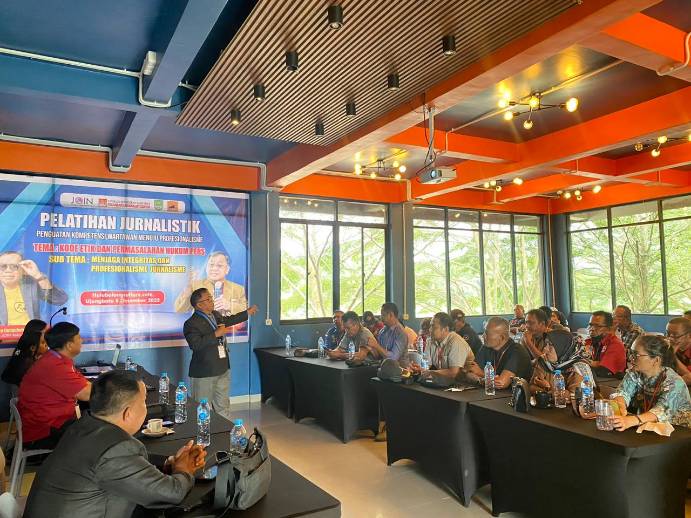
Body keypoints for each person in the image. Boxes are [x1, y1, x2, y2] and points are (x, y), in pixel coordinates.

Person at [24, 370, 206, 517]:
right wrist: (183, 469)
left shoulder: (82, 426)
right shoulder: (116, 449)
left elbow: (114, 462)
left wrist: (167, 462)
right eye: (144, 402)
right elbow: (172, 493)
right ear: (128, 413)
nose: (146, 407)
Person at [183, 287, 258, 419]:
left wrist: (247, 313)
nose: (212, 301)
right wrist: (215, 334)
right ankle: (204, 432)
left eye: (211, 298)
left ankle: (223, 431)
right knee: (203, 409)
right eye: (208, 299)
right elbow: (195, 345)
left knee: (223, 407)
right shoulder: (191, 323)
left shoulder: (216, 315)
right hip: (204, 372)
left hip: (222, 367)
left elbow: (230, 320)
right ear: (199, 305)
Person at [17, 322, 91, 449]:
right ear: (69, 345)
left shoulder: (55, 358)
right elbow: (86, 394)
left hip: (50, 420)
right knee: (99, 430)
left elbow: (82, 383)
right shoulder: (54, 366)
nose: (82, 340)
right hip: (43, 431)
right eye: (79, 337)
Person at [610, 335, 691, 430]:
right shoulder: (635, 373)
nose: (630, 358)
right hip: (649, 426)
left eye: (636, 355)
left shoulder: (674, 382)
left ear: (656, 360)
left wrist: (631, 420)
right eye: (630, 353)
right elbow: (623, 392)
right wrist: (620, 405)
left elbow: (661, 411)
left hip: (678, 431)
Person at [0, 251, 67, 326]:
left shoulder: (31, 283)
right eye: (3, 266)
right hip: (3, 332)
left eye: (14, 266)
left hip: (31, 331)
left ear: (22, 269)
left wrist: (38, 275)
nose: (8, 270)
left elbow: (60, 299)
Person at [174, 252, 248, 315]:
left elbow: (247, 310)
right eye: (211, 265)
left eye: (219, 265)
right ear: (206, 268)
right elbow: (179, 310)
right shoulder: (194, 286)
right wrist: (187, 291)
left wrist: (230, 305)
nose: (214, 269)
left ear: (227, 269)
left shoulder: (238, 289)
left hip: (228, 326)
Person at [410, 312, 474, 384]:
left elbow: (453, 373)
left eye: (433, 327)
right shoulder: (430, 341)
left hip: (466, 383)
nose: (430, 329)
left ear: (445, 329)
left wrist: (429, 372)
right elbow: (427, 365)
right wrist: (419, 369)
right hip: (446, 382)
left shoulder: (456, 342)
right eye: (430, 326)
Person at [470, 317, 532, 389]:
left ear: (502, 337)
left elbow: (502, 383)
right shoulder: (486, 347)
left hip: (511, 394)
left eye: (487, 334)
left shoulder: (517, 351)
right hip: (490, 392)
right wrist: (483, 380)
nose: (483, 336)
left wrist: (481, 374)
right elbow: (470, 372)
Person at [529, 329, 593, 395]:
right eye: (545, 344)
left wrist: (547, 388)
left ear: (562, 348)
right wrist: (548, 392)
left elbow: (575, 396)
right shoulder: (545, 362)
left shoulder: (578, 368)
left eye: (550, 345)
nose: (545, 349)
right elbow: (531, 387)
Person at [1, 319, 47, 391]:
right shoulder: (27, 364)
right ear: (33, 348)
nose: (47, 345)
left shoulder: (25, 349)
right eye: (43, 343)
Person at [584, 311, 626, 377]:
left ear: (608, 329)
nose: (592, 329)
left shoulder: (615, 344)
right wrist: (594, 363)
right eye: (591, 325)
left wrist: (588, 362)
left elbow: (602, 371)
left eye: (598, 326)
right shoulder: (590, 341)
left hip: (611, 381)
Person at [666, 317, 691, 385]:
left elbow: (689, 376)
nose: (670, 338)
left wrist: (672, 355)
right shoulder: (666, 346)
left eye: (675, 335)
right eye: (668, 333)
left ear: (689, 335)